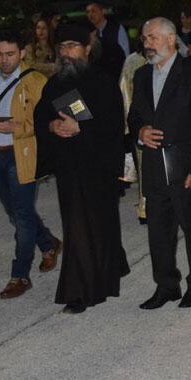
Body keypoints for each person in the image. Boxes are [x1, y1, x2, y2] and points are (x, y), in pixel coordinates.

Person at [34, 23, 131, 314]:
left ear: (87, 49)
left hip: (98, 166)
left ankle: (94, 282)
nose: (66, 53)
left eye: (72, 46)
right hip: (68, 167)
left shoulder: (103, 82)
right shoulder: (54, 84)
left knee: (101, 224)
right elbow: (40, 116)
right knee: (76, 228)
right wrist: (52, 125)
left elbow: (114, 125)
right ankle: (83, 288)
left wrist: (81, 129)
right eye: (62, 47)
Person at [128, 17, 191, 309]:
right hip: (155, 167)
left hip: (187, 168)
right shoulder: (142, 75)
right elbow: (134, 115)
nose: (147, 44)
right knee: (158, 232)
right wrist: (140, 131)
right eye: (144, 38)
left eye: (153, 37)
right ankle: (166, 286)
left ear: (170, 39)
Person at [0, 30, 61, 299]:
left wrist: (16, 127)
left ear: (22, 53)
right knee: (15, 212)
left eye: (10, 54)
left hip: (21, 154)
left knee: (22, 216)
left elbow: (47, 121)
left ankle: (19, 275)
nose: (4, 60)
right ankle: (48, 242)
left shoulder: (35, 81)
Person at [120, 20, 149, 222]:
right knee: (144, 168)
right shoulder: (132, 61)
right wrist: (130, 125)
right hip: (141, 124)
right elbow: (125, 93)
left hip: (166, 123)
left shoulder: (168, 59)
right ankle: (145, 209)